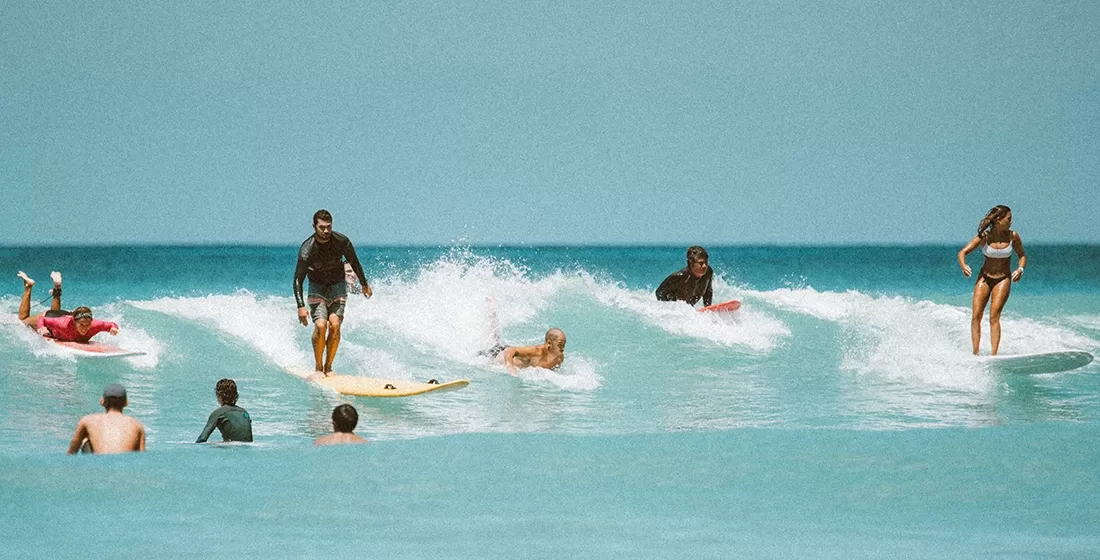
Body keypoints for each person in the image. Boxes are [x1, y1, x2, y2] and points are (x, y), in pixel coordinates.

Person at [293, 209, 373, 375]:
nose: (326, 231)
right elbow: (298, 279)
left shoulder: (341, 241)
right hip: (317, 287)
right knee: (321, 326)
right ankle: (318, 367)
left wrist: (364, 284)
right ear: (314, 227)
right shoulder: (307, 249)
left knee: (335, 325)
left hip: (337, 286)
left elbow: (355, 262)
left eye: (328, 226)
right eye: (322, 227)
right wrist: (300, 306)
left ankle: (329, 367)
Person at [957, 205, 1027, 356]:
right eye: (1008, 219)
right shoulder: (985, 236)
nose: (1011, 222)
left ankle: (993, 355)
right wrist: (964, 266)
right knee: (976, 316)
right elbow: (962, 252)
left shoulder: (1012, 236)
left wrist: (1020, 269)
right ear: (998, 219)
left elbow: (1022, 255)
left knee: (994, 316)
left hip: (1003, 279)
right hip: (984, 277)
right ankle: (975, 353)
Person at [16, 271, 119, 342]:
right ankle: (28, 286)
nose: (85, 328)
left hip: (65, 316)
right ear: (74, 321)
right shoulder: (62, 324)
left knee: (57, 317)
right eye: (82, 325)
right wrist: (41, 327)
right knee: (23, 320)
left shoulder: (95, 325)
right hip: (52, 317)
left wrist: (114, 328)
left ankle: (57, 287)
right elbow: (42, 319)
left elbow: (111, 324)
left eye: (88, 324)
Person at [67, 384, 146, 455]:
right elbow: (142, 460)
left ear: (102, 401)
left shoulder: (87, 420)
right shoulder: (137, 425)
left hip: (100, 469)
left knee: (85, 440)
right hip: (124, 469)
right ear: (126, 403)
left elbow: (71, 454)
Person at [196, 378, 253, 443]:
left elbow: (202, 439)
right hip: (246, 449)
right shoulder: (244, 413)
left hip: (230, 449)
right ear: (236, 395)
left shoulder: (219, 413)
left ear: (219, 395)